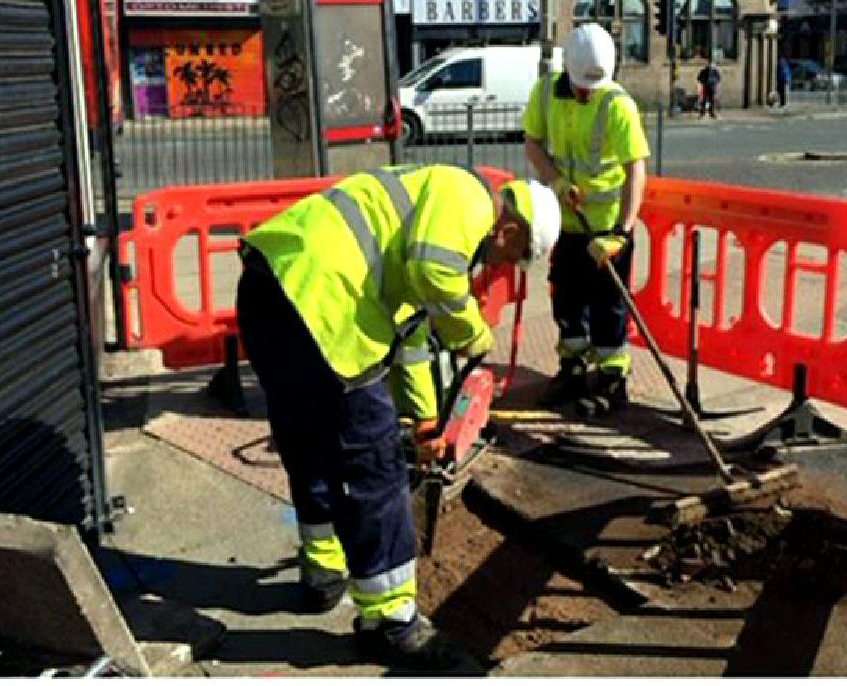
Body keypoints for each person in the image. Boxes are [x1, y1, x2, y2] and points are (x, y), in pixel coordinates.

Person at [235, 164, 561, 666]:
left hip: (271, 284)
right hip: (325, 304)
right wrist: (471, 331)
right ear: (508, 230)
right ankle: (390, 622)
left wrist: (425, 420)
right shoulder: (467, 197)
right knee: (375, 463)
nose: (498, 267)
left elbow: (409, 341)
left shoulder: (416, 205)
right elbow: (434, 272)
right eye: (508, 258)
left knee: (308, 437)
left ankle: (323, 572)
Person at [523, 23, 651, 413]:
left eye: (592, 87)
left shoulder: (617, 104)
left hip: (608, 228)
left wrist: (622, 232)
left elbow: (635, 170)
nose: (586, 93)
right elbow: (533, 143)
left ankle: (612, 380)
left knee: (609, 304)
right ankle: (573, 368)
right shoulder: (546, 92)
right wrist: (557, 182)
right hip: (565, 224)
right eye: (581, 86)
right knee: (566, 299)